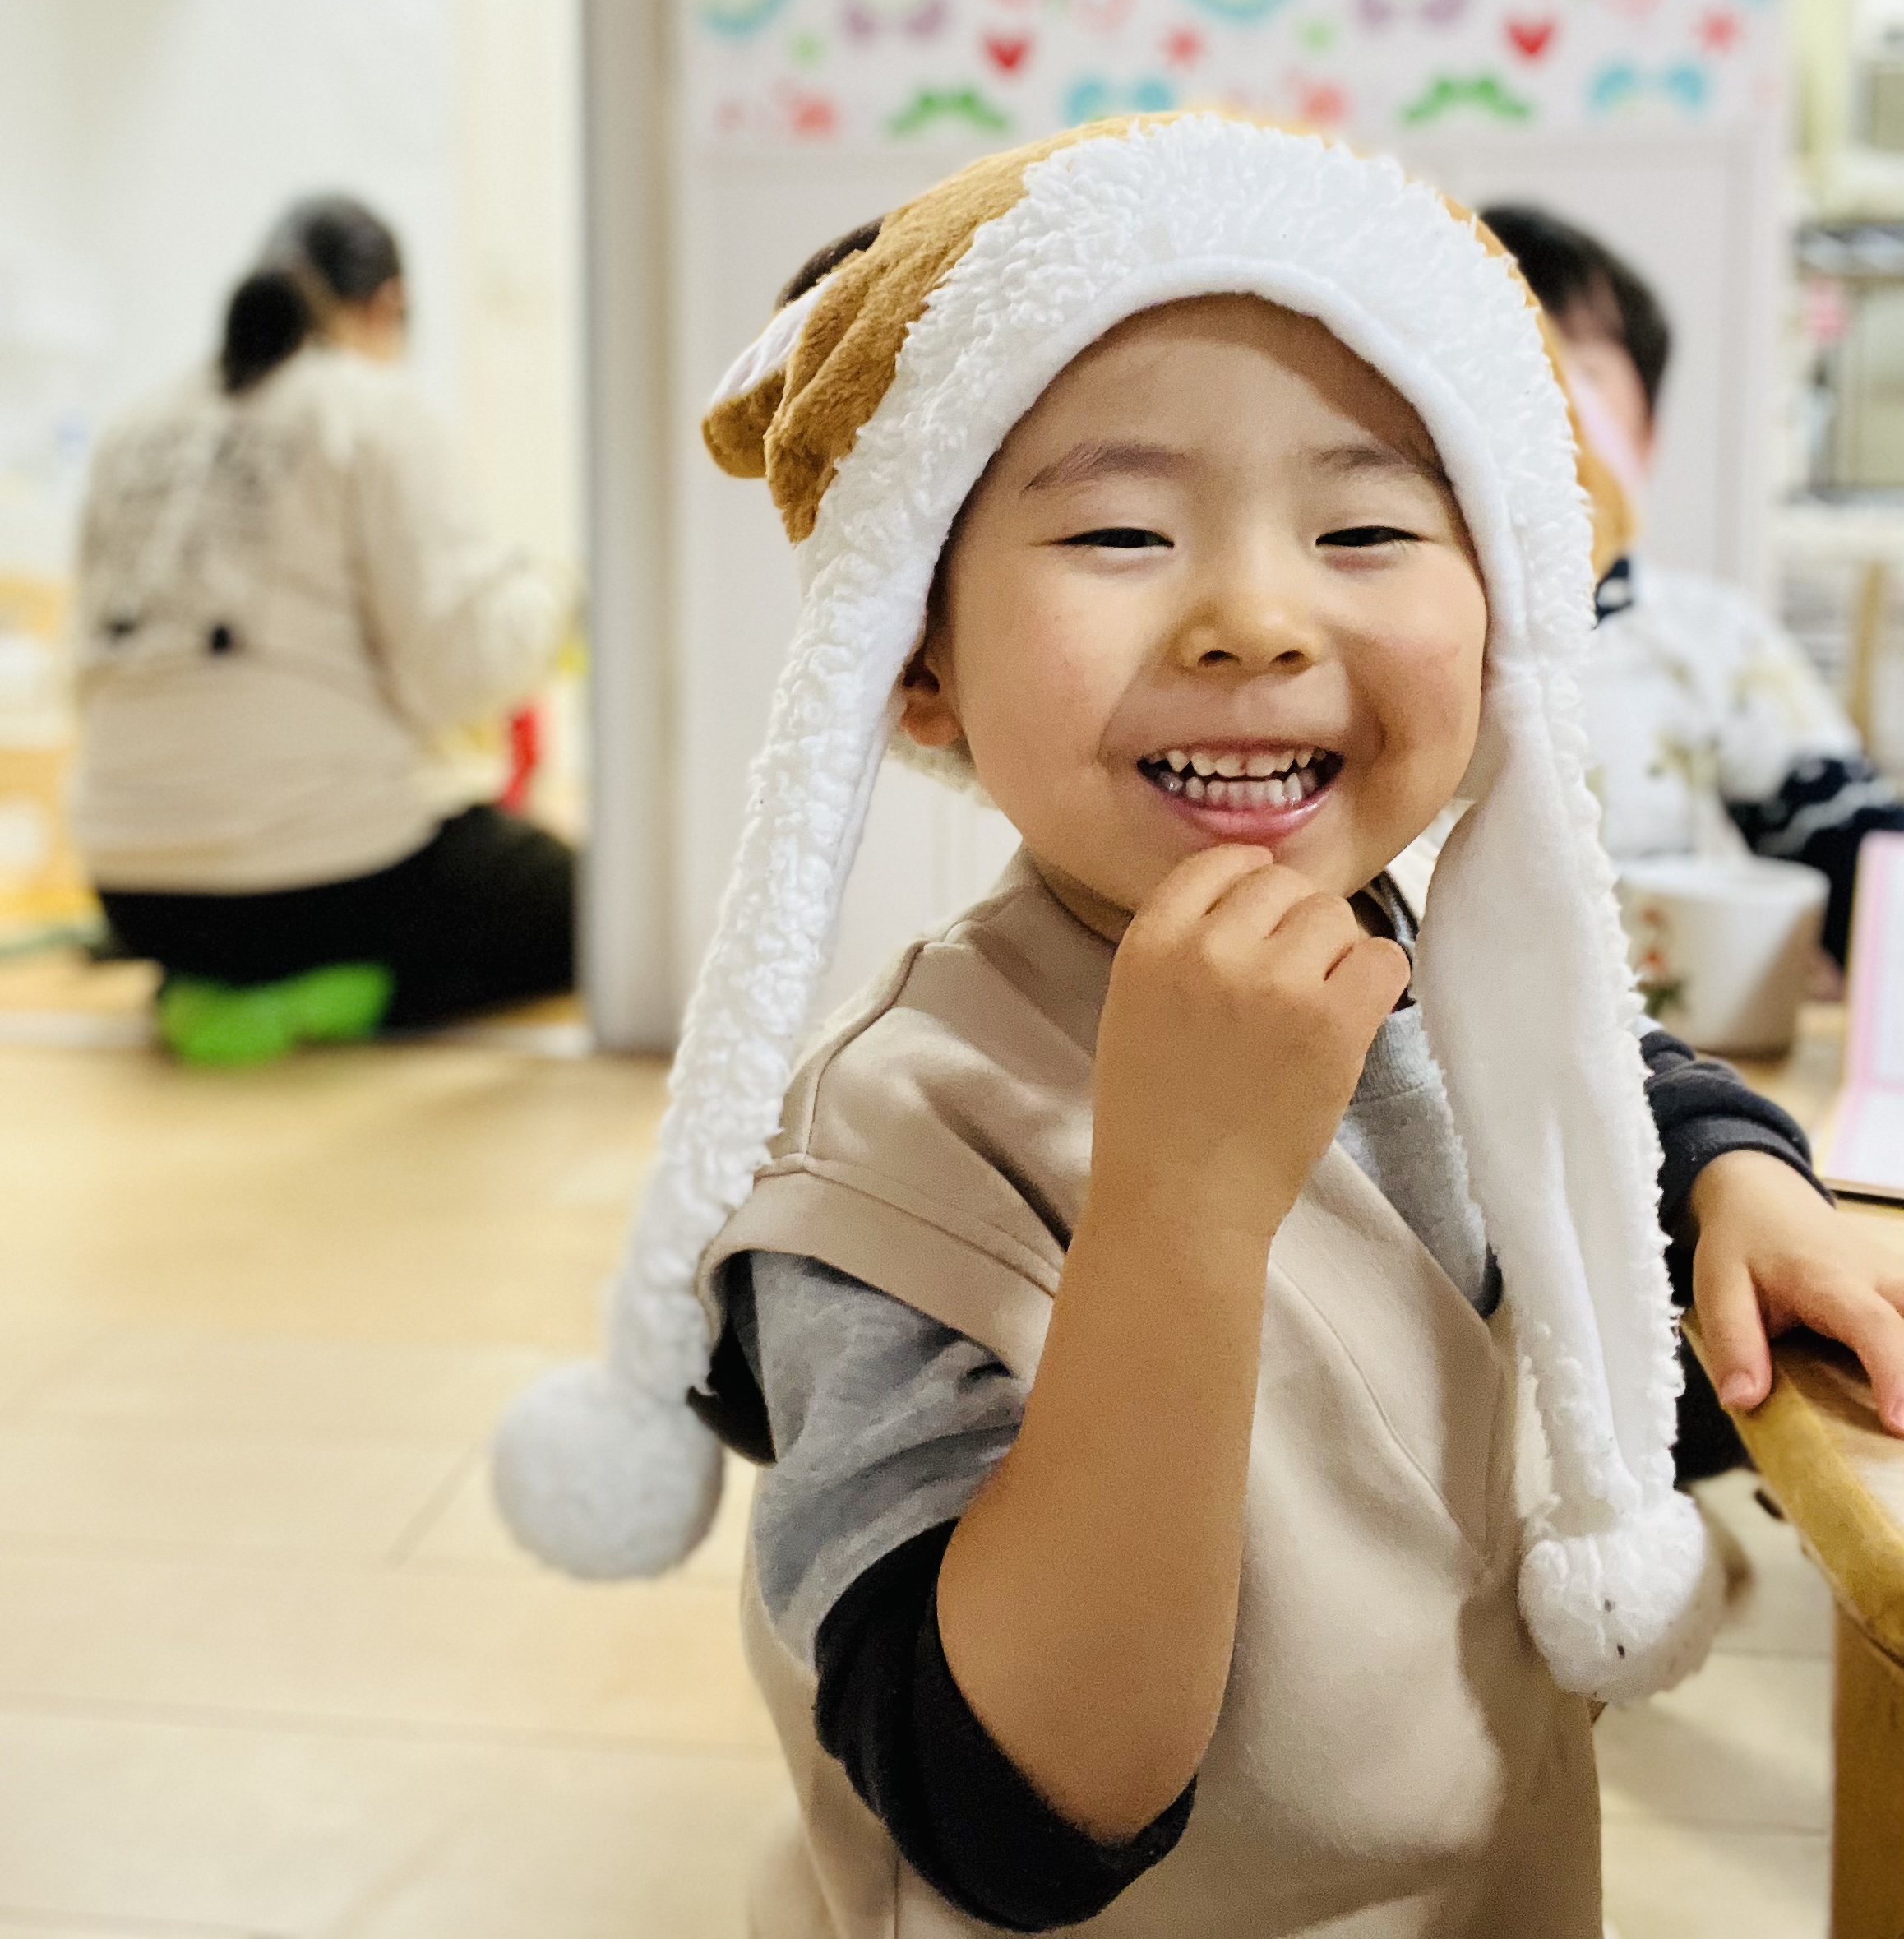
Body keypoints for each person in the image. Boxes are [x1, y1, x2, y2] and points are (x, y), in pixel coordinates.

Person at [495, 119, 1904, 1938]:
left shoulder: (1430, 967)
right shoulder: (889, 1155)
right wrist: (1179, 1202)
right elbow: (1013, 1806)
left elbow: (1584, 1096)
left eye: (1368, 528)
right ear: (918, 655)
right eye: (1120, 531)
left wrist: (1729, 1180)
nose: (1252, 617)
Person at [72, 195, 576, 1066]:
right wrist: (559, 596)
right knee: (585, 904)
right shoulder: (371, 411)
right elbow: (463, 672)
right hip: (318, 890)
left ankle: (207, 986)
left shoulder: (133, 428)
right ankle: (346, 993)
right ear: (387, 306)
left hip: (132, 893)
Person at [1482, 200, 1904, 972]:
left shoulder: (1709, 638)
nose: (1535, 408)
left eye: (1576, 374)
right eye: (1493, 369)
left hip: (1655, 1026)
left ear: (1646, 439)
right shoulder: (1369, 632)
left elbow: (1862, 860)